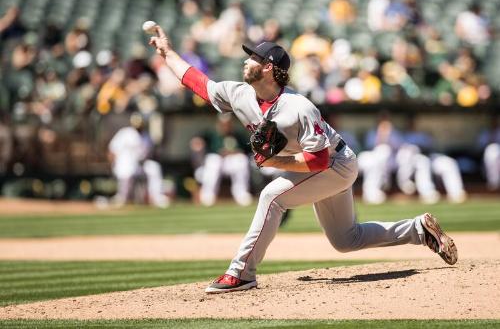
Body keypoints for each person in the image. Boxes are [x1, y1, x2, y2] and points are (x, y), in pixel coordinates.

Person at [147, 25, 458, 294]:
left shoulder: (299, 107)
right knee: (346, 239)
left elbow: (319, 161)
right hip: (323, 166)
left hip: (335, 164)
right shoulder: (240, 94)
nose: (246, 60)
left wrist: (274, 162)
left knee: (272, 196)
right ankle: (419, 230)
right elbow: (197, 83)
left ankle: (241, 273)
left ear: (268, 67)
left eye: (253, 57)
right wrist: (167, 52)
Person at [190, 113, 253, 207]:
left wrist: (235, 152)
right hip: (217, 163)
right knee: (213, 160)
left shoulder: (238, 135)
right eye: (223, 124)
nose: (225, 126)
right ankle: (208, 195)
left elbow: (248, 150)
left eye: (227, 124)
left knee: (242, 159)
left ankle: (241, 194)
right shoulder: (211, 134)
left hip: (232, 163)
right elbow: (197, 141)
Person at [108, 113, 169, 208]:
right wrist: (113, 164)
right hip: (124, 163)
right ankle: (122, 198)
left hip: (140, 164)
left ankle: (157, 197)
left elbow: (149, 153)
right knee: (127, 170)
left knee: (154, 168)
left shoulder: (146, 136)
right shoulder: (125, 133)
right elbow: (113, 149)